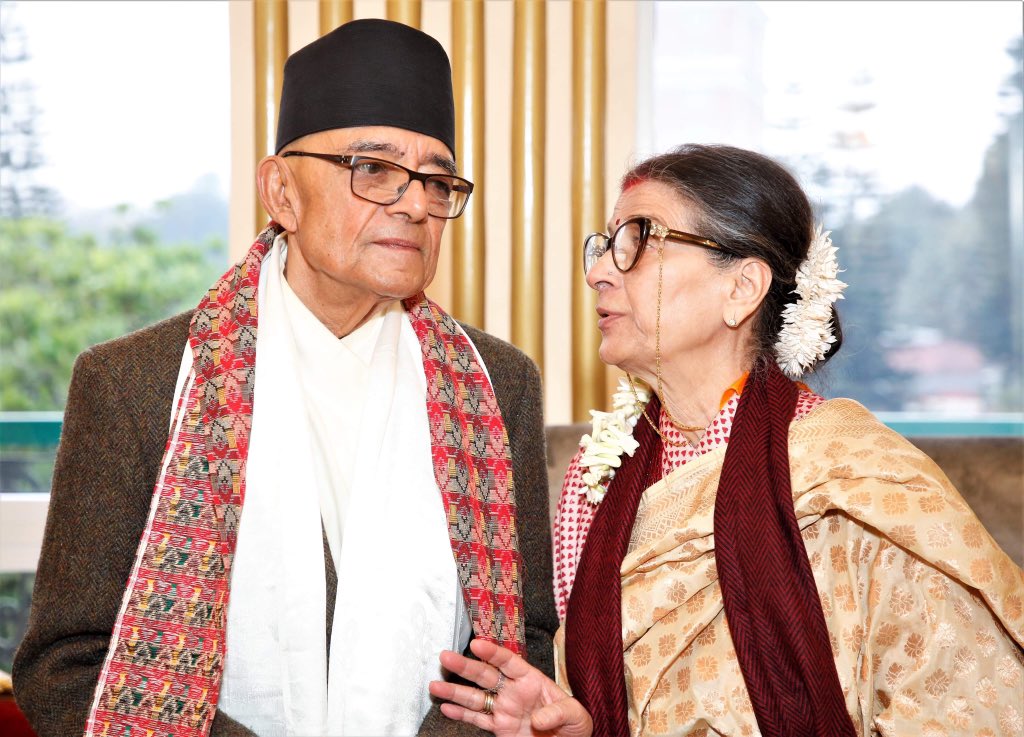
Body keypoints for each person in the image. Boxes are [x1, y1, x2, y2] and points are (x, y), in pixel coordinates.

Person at [12, 19, 557, 737]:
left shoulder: (494, 387)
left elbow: (518, 648)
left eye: (435, 178)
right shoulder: (135, 383)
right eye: (374, 168)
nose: (417, 204)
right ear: (282, 191)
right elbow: (66, 665)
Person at [430, 144, 1024, 736]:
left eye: (637, 239)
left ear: (742, 288)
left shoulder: (859, 484)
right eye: (606, 244)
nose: (599, 271)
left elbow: (966, 709)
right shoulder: (597, 481)